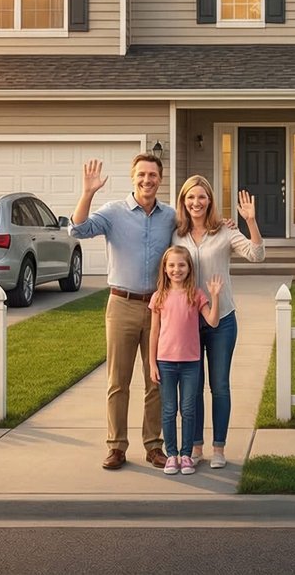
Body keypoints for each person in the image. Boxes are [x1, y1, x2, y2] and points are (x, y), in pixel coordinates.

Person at [71, 154, 175, 471]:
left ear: (160, 178)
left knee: (156, 380)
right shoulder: (114, 212)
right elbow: (78, 230)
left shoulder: (170, 216)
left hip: (159, 308)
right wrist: (88, 192)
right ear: (133, 178)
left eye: (153, 175)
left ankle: (154, 446)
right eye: (142, 174)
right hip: (122, 304)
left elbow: (195, 233)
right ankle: (116, 446)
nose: (147, 180)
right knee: (119, 381)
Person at [173, 175, 264, 469]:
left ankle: (220, 447)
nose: (196, 203)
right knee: (193, 387)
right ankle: (196, 446)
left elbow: (257, 255)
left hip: (221, 320)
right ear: (183, 202)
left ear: (209, 200)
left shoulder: (224, 232)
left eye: (201, 197)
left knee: (220, 385)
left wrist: (249, 221)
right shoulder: (176, 234)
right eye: (190, 197)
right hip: (188, 324)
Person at [148, 245, 223, 475]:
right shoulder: (159, 297)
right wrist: (152, 363)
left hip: (191, 363)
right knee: (169, 410)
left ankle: (186, 455)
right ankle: (171, 455)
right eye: (171, 265)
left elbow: (212, 321)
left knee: (188, 409)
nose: (176, 269)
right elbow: (154, 332)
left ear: (189, 268)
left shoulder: (196, 295)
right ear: (165, 268)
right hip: (165, 363)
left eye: (181, 265)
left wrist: (215, 296)